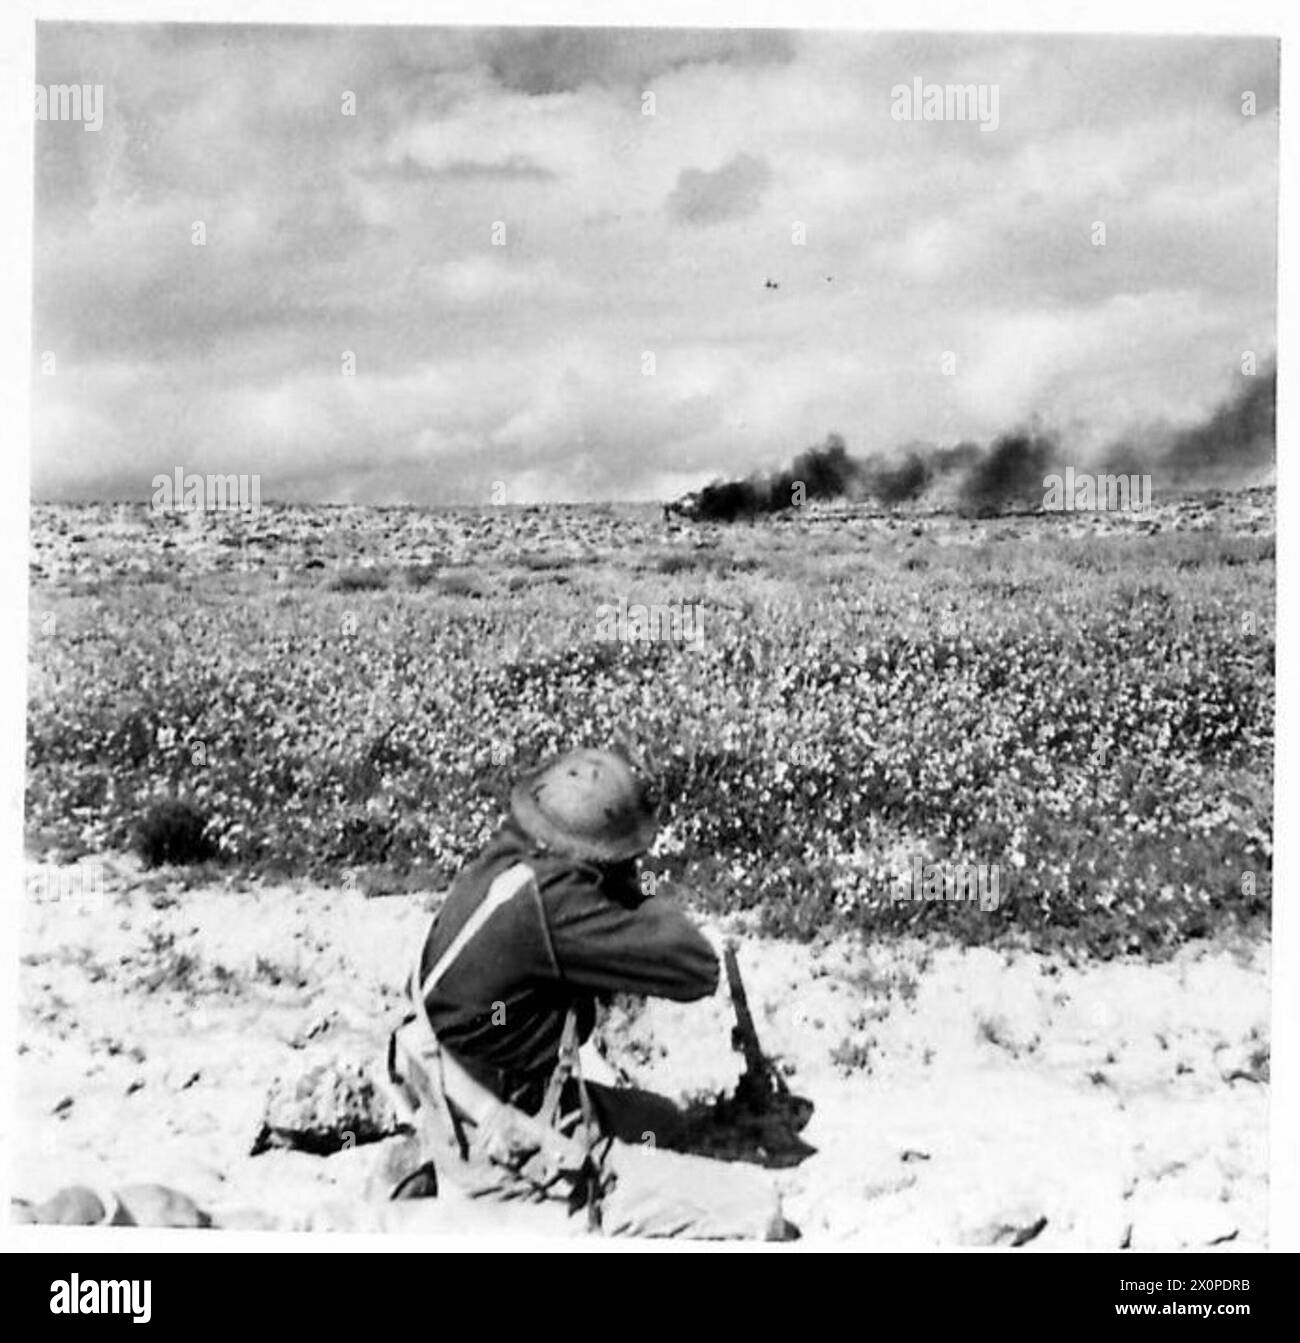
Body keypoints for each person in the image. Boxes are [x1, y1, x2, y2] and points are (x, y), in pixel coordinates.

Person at [384, 747, 795, 1239]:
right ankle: (496, 1204)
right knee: (758, 1209)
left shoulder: (508, 862)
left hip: (456, 1092)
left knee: (662, 1122)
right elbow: (695, 967)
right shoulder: (558, 905)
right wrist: (630, 898)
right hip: (512, 1138)